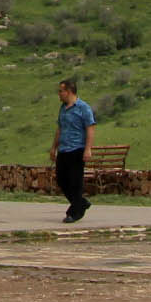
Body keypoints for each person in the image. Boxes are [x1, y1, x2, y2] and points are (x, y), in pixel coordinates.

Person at [54, 77, 96, 223]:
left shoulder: (83, 108)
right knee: (61, 179)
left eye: (61, 91)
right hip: (64, 149)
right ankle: (81, 203)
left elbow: (90, 128)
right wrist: (54, 147)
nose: (59, 94)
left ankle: (75, 212)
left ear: (69, 91)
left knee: (75, 182)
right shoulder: (62, 108)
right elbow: (60, 128)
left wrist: (88, 149)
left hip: (77, 149)